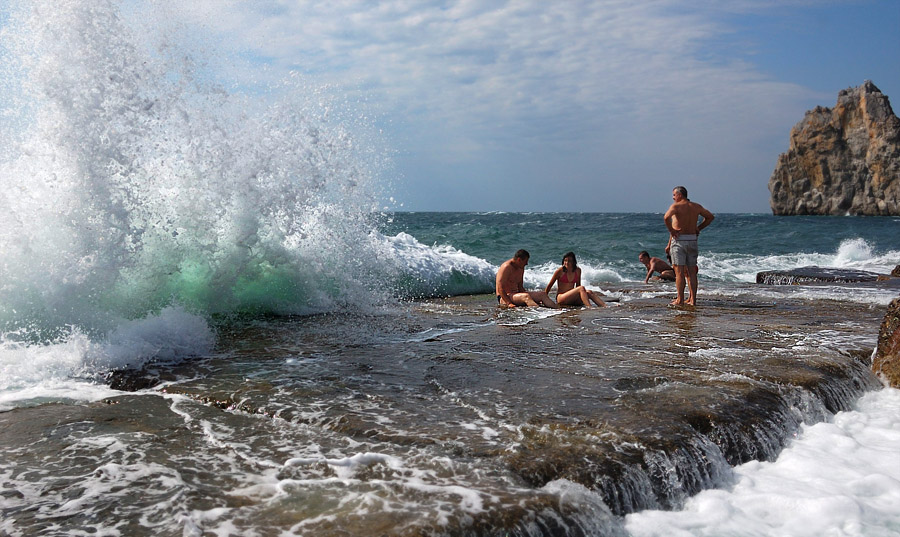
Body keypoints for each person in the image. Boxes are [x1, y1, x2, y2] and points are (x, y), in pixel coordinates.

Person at [663, 186, 714, 306]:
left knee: (679, 272)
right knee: (692, 271)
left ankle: (679, 299)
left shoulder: (676, 206)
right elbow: (710, 217)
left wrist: (671, 231)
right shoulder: (696, 206)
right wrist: (698, 228)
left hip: (679, 241)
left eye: (674, 195)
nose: (673, 197)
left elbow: (666, 218)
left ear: (680, 195)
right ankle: (693, 300)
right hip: (692, 239)